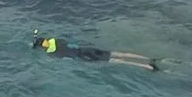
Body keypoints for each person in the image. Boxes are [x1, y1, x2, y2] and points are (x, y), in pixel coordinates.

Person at [31, 34, 160, 70]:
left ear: (42, 47)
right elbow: (72, 44)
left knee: (117, 61)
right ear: (46, 39)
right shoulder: (56, 40)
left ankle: (146, 66)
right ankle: (148, 58)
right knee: (119, 53)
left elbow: (67, 59)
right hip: (86, 49)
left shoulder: (52, 54)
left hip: (84, 56)